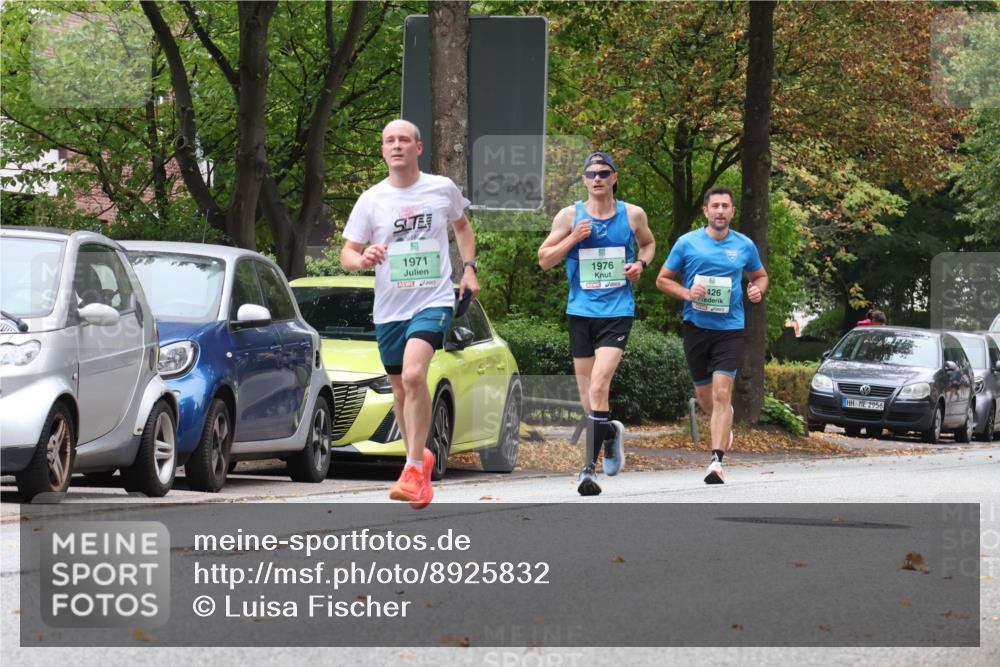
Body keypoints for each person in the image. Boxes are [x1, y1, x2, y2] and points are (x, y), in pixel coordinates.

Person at [340, 119, 479, 509]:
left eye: (404, 139)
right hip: (389, 308)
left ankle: (415, 468)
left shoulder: (440, 188)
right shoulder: (371, 200)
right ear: (383, 150)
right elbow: (347, 254)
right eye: (389, 141)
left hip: (432, 300)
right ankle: (418, 456)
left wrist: (469, 268)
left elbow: (463, 227)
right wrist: (362, 258)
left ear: (419, 148)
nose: (396, 145)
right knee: (400, 390)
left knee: (416, 374)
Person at [537, 151, 656, 495]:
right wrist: (573, 238)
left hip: (617, 312)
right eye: (591, 173)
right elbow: (544, 259)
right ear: (584, 179)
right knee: (586, 397)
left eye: (604, 172)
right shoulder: (568, 215)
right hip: (581, 313)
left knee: (600, 384)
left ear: (614, 177)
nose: (598, 178)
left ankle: (588, 469)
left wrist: (641, 266)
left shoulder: (632, 215)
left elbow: (647, 244)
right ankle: (610, 432)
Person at [656, 186, 768, 484]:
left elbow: (760, 275)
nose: (720, 211)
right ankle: (724, 421)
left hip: (729, 329)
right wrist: (687, 293)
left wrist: (757, 289)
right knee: (706, 399)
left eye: (725, 206)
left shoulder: (744, 245)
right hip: (696, 328)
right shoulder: (687, 243)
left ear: (732, 211)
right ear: (706, 211)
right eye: (715, 206)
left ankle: (716, 461)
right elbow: (662, 279)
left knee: (721, 393)